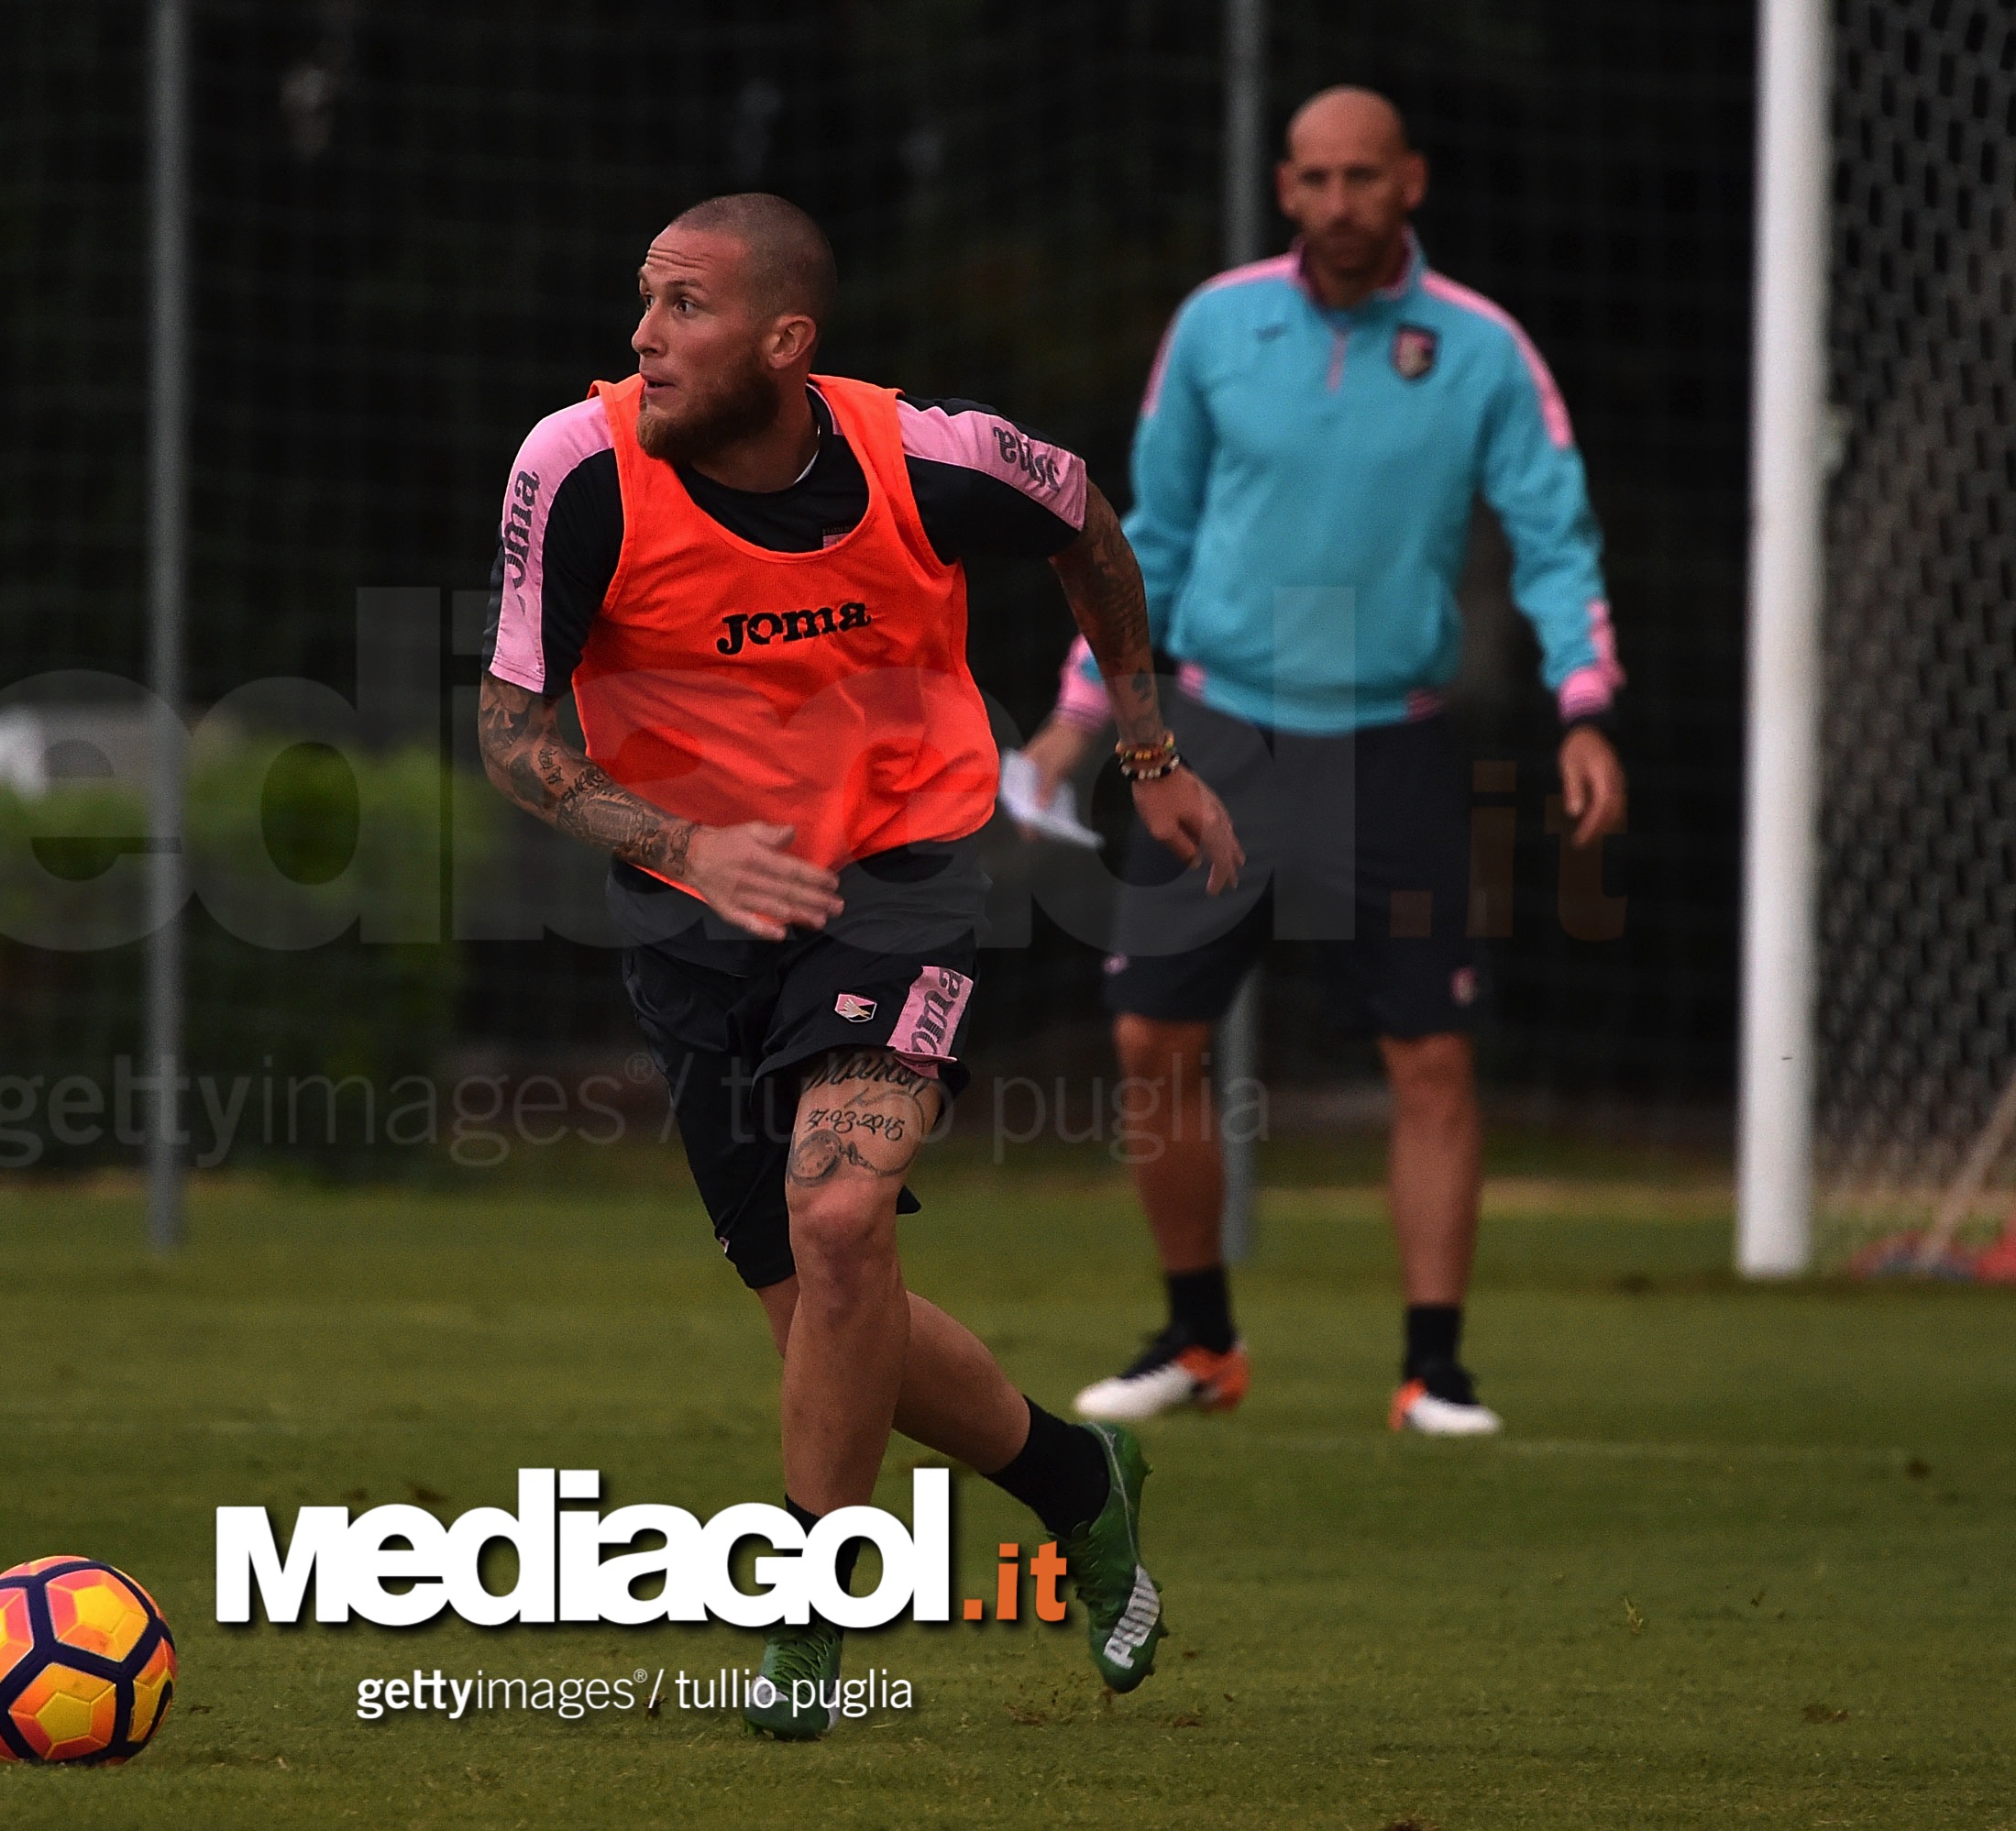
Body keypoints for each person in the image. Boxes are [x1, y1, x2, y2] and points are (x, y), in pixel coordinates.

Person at [477, 193, 1243, 1738]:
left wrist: (1146, 745)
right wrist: (688, 849)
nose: (642, 336)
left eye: (683, 306)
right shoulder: (576, 468)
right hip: (693, 918)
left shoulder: (928, 459)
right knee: (828, 1311)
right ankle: (1080, 1476)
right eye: (643, 301)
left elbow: (1086, 519)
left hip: (899, 876)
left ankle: (813, 1609)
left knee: (841, 1220)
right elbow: (512, 733)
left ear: (785, 339)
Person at [1011, 89, 1627, 1437]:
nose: (1340, 201)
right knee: (1148, 1032)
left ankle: (1435, 1368)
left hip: (1395, 739)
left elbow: (1556, 529)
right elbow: (1141, 536)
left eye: (1365, 176)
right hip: (1214, 732)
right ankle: (1200, 1340)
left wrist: (1586, 704)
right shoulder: (1219, 326)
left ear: (1412, 179)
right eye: (1316, 178)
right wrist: (1079, 714)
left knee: (1432, 1055)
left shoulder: (1481, 348)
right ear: (1285, 189)